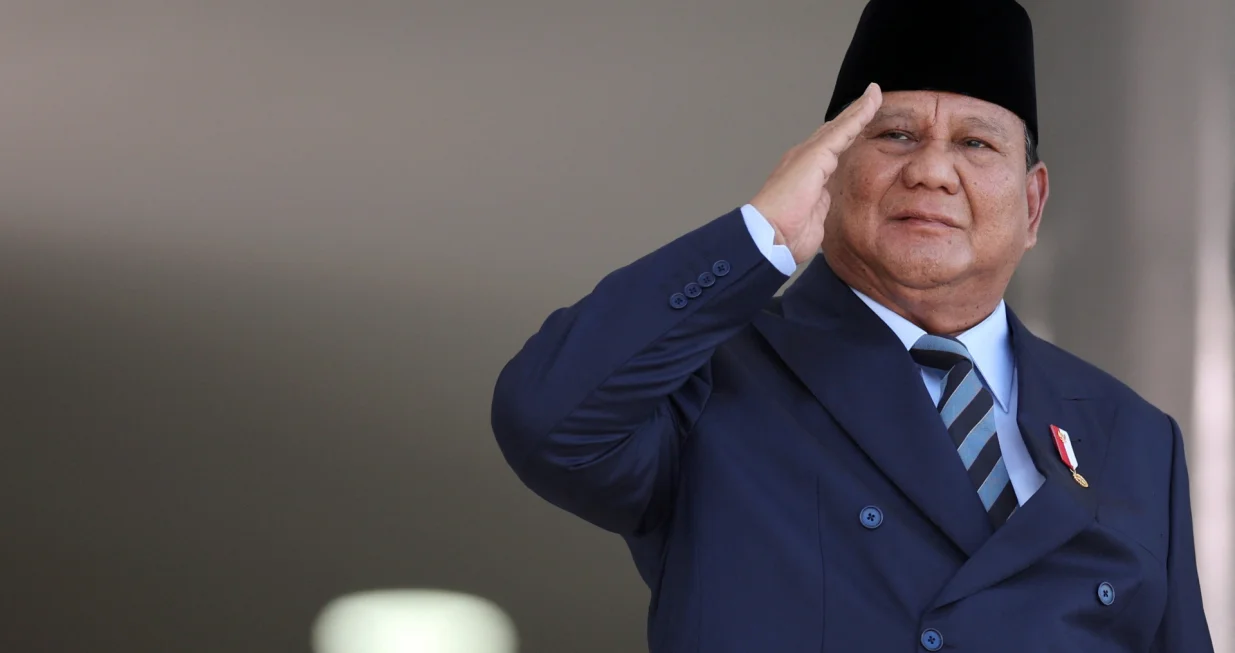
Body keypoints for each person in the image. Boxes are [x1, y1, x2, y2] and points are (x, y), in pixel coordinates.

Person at [489, 0, 1214, 650]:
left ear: (1032, 203)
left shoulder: (1134, 438)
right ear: (828, 171)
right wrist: (762, 237)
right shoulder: (715, 375)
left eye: (975, 144)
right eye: (895, 134)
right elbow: (547, 417)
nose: (931, 171)